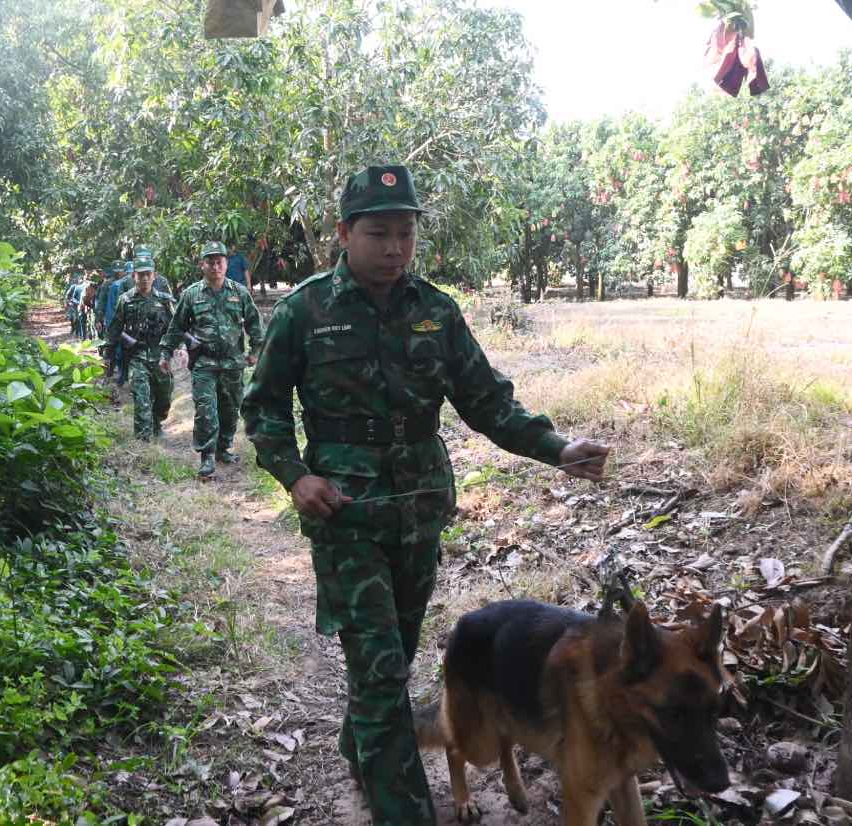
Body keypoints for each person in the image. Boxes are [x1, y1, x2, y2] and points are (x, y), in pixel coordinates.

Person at [240, 165, 610, 826]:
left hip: (418, 515)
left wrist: (556, 448)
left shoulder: (436, 312)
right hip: (346, 518)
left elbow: (487, 402)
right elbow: (263, 407)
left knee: (399, 653)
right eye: (378, 232)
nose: (393, 248)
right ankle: (403, 808)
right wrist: (295, 475)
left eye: (405, 233)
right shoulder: (305, 310)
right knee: (382, 674)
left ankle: (362, 743)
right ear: (345, 232)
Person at [160, 241, 263, 477]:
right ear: (202, 265)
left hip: (232, 363)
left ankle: (223, 448)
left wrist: (256, 351)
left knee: (230, 409)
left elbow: (255, 325)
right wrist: (165, 353)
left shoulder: (239, 292)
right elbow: (176, 328)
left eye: (220, 261)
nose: (215, 266)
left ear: (226, 264)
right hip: (204, 364)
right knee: (206, 410)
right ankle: (207, 456)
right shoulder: (191, 294)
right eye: (210, 262)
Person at [108, 253, 176, 440]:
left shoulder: (165, 300)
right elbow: (115, 329)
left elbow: (177, 327)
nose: (145, 278)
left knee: (164, 398)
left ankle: (156, 422)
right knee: (141, 399)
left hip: (161, 357)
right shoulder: (125, 300)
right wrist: (109, 356)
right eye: (140, 274)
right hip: (137, 357)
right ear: (134, 276)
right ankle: (143, 442)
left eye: (148, 274)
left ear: (154, 275)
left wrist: (181, 349)